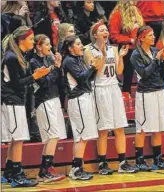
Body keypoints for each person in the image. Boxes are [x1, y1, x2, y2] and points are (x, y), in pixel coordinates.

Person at [83, 22, 138, 175]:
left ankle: (122, 163)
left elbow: (119, 72)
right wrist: (103, 55)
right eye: (101, 30)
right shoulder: (88, 50)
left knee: (119, 127)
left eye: (106, 30)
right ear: (95, 35)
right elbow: (93, 72)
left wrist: (120, 57)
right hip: (99, 89)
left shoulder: (113, 48)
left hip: (113, 88)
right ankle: (102, 163)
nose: (105, 32)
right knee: (104, 130)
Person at [1, 26, 50, 187]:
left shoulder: (19, 55)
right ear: (22, 40)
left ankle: (9, 173)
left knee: (16, 140)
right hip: (11, 100)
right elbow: (16, 83)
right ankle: (17, 175)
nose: (33, 41)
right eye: (30, 39)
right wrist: (34, 76)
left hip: (15, 100)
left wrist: (34, 75)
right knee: (18, 139)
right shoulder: (11, 57)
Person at [130, 26, 164, 171]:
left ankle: (158, 159)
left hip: (159, 90)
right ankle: (139, 160)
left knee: (158, 128)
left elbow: (162, 73)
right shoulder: (135, 55)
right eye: (151, 35)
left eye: (154, 35)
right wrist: (156, 60)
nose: (154, 37)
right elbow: (145, 74)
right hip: (145, 94)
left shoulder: (155, 51)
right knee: (142, 128)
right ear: (142, 38)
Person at [30, 34, 67, 182]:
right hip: (44, 101)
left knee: (54, 136)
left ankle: (46, 169)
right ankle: (44, 171)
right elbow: (44, 82)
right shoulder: (33, 62)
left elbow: (57, 79)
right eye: (46, 45)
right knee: (52, 135)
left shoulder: (48, 59)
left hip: (53, 98)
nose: (50, 47)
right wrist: (55, 69)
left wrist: (57, 67)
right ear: (38, 46)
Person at [62, 35, 99, 180]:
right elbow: (82, 77)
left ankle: (78, 167)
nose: (82, 46)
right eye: (78, 44)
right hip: (77, 99)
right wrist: (92, 67)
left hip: (84, 97)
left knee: (82, 137)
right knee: (81, 136)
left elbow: (88, 78)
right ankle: (76, 169)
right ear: (71, 48)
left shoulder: (77, 59)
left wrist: (93, 68)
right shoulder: (69, 61)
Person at [109, 1, 144, 94]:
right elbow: (113, 35)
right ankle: (125, 95)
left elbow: (142, 29)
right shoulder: (117, 14)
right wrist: (130, 40)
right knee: (127, 74)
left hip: (138, 48)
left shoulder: (137, 12)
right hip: (125, 49)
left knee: (136, 74)